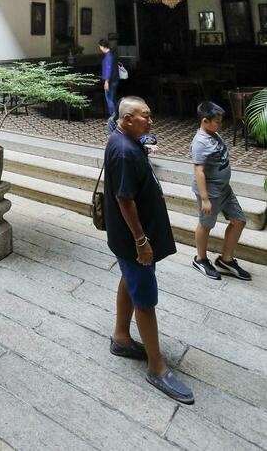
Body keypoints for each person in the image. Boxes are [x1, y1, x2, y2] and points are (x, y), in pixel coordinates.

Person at [105, 97, 194, 405]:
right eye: (145, 117)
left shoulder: (122, 138)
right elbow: (124, 199)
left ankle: (120, 337)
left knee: (129, 280)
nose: (151, 121)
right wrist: (142, 242)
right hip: (133, 240)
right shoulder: (125, 150)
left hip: (124, 237)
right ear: (128, 119)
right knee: (145, 298)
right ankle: (157, 367)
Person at [191, 101, 251, 281]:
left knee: (239, 220)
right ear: (205, 121)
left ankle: (226, 260)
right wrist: (205, 198)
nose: (220, 124)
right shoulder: (200, 142)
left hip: (225, 190)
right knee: (206, 224)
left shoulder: (213, 134)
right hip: (210, 192)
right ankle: (200, 259)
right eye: (217, 121)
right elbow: (199, 171)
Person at [99, 38, 119, 117]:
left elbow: (108, 69)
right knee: (113, 98)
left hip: (110, 80)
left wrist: (106, 81)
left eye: (100, 47)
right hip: (115, 79)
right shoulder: (112, 54)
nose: (100, 48)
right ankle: (116, 117)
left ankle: (113, 118)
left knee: (109, 99)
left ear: (103, 46)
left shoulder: (108, 56)